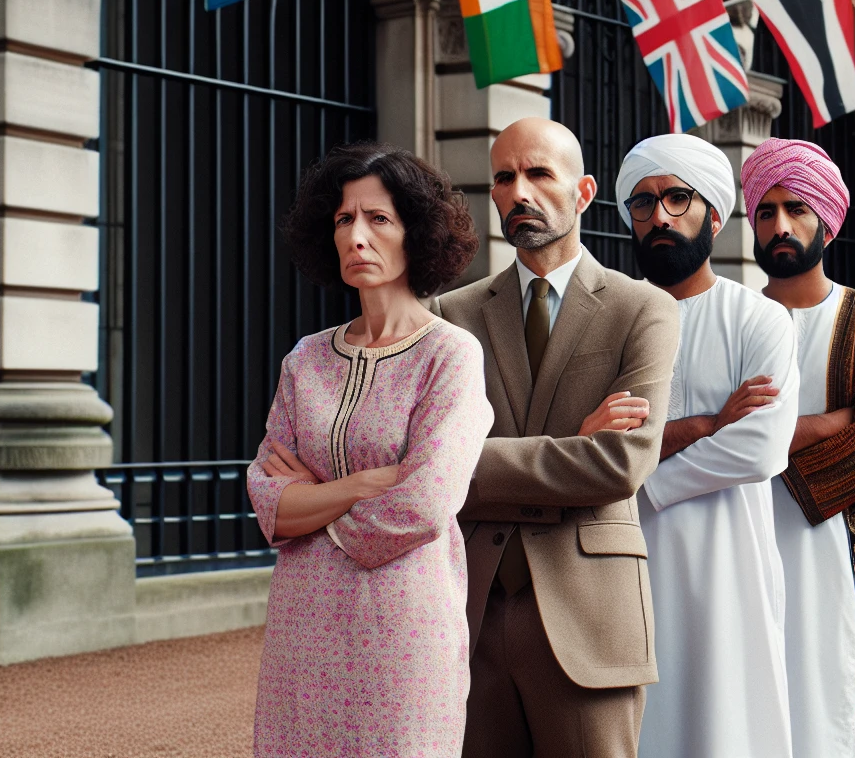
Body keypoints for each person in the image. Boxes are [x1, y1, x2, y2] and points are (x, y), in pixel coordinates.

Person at [432, 117, 681, 758]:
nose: (520, 192)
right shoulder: (450, 316)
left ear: (583, 191)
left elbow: (621, 464)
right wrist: (575, 443)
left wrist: (469, 465)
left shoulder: (643, 308)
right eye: (504, 177)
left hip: (590, 616)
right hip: (471, 614)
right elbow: (424, 467)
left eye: (539, 173)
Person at [250, 144, 491, 757]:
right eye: (343, 219)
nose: (357, 236)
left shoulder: (451, 355)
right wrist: (362, 485)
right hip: (301, 628)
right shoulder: (304, 360)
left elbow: (426, 504)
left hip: (403, 627)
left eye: (378, 219)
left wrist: (313, 499)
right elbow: (268, 500)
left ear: (417, 231)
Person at [614, 135, 798, 757]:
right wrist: (702, 425)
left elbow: (762, 447)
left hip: (729, 566)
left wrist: (646, 476)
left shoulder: (759, 318)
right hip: (619, 561)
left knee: (727, 724)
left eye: (677, 198)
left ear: (714, 215)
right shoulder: (611, 321)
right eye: (642, 203)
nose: (659, 216)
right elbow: (583, 442)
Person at [741, 138, 855, 758]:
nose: (781, 225)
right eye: (766, 212)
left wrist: (764, 432)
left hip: (841, 538)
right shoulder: (735, 315)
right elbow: (705, 428)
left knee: (832, 694)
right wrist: (832, 418)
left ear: (826, 219)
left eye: (796, 208)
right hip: (738, 529)